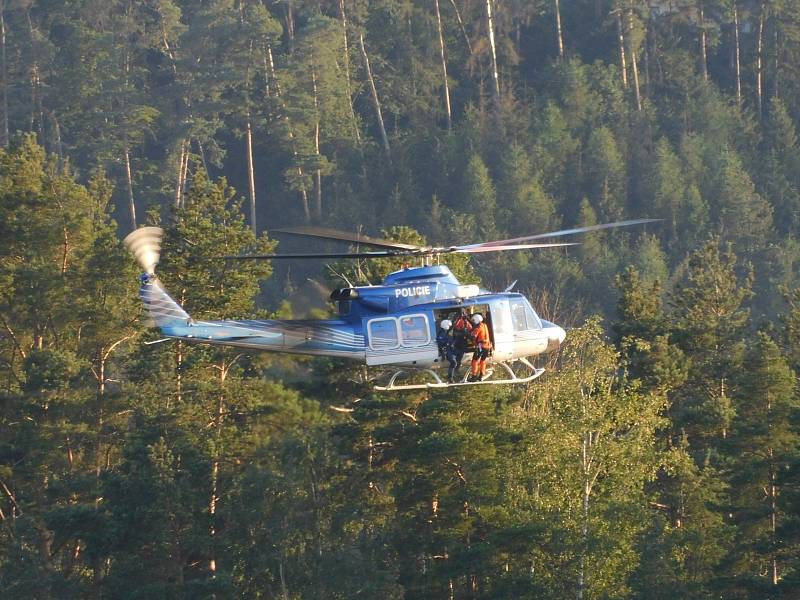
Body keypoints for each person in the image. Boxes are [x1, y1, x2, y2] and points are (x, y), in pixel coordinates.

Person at [468, 313, 492, 382]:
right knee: (483, 360)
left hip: (481, 347)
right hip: (487, 346)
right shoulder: (484, 325)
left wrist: (468, 334)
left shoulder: (478, 328)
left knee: (474, 361)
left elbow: (473, 336)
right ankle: (481, 375)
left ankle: (474, 376)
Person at [451, 310, 473, 382]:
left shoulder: (466, 322)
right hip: (458, 341)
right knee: (456, 356)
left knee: (460, 356)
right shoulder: (457, 321)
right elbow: (455, 328)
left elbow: (470, 329)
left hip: (463, 341)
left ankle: (456, 370)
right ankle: (454, 371)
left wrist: (467, 333)